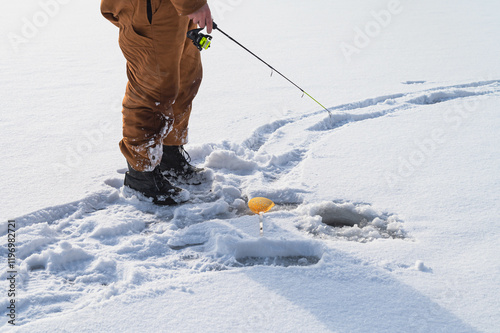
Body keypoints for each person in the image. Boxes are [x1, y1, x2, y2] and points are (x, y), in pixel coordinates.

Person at [100, 0, 213, 205]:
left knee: (186, 78)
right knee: (154, 90)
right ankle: (141, 174)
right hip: (149, 6)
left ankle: (169, 155)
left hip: (173, 6)